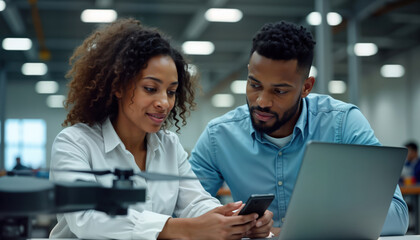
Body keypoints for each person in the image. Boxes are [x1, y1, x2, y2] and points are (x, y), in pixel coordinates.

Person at [49, 18, 273, 239]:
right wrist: (183, 228)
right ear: (117, 87)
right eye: (150, 88)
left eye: (171, 92)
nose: (164, 103)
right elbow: (86, 219)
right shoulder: (74, 143)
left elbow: (194, 202)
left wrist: (233, 219)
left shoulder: (168, 145)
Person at [189, 21, 409, 236]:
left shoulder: (343, 123)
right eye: (255, 85)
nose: (262, 101)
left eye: (279, 91)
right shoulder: (219, 136)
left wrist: (290, 232)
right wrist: (233, 222)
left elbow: (397, 215)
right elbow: (185, 208)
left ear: (306, 87)